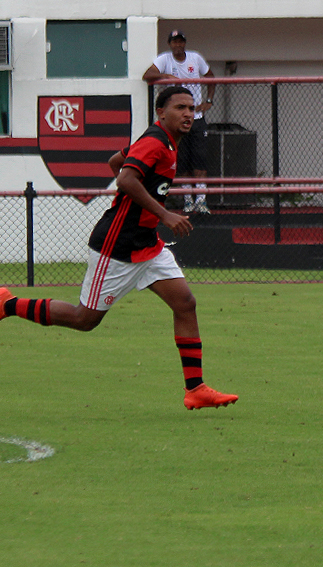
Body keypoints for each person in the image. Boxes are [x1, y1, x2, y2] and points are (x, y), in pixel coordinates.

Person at [0, 87, 238, 411]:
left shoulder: (167, 143)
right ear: (161, 113)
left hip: (147, 244)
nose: (187, 113)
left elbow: (116, 161)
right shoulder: (155, 142)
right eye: (180, 107)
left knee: (185, 303)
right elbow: (125, 179)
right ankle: (8, 303)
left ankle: (195, 389)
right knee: (85, 319)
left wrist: (140, 207)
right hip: (117, 246)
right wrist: (163, 213)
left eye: (191, 108)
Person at [143, 29, 215, 215]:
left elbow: (211, 77)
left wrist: (208, 101)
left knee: (200, 159)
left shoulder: (195, 58)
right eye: (174, 41)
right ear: (170, 44)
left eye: (181, 41)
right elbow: (147, 75)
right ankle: (188, 200)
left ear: (184, 43)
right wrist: (166, 77)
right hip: (176, 120)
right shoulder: (165, 59)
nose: (178, 45)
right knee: (181, 160)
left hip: (196, 117)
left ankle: (201, 200)